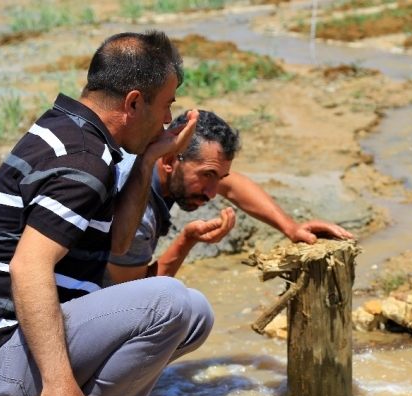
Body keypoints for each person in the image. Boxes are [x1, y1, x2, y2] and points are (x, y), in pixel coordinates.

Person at [0, 31, 208, 396]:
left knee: (196, 315)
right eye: (167, 105)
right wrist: (58, 386)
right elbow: (28, 267)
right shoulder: (83, 159)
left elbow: (118, 243)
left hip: (18, 344)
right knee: (168, 301)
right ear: (134, 102)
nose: (169, 120)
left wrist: (151, 157)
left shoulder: (76, 133)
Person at [106, 109, 353, 284]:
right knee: (186, 311)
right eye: (208, 175)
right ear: (170, 160)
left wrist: (291, 227)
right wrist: (187, 240)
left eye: (219, 177)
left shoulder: (148, 158)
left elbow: (233, 185)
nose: (213, 193)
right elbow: (138, 295)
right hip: (82, 307)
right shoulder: (138, 214)